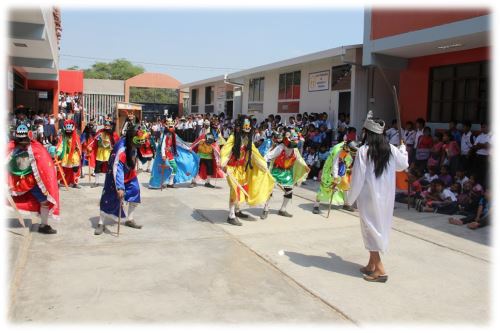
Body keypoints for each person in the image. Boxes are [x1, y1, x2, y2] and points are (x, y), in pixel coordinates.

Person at [346, 111, 408, 282]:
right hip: (386, 197)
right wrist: (403, 150)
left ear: (368, 133)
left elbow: (357, 178)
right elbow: (403, 165)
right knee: (377, 228)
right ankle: (371, 264)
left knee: (370, 229)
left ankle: (380, 269)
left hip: (368, 197)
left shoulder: (364, 151)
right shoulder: (391, 149)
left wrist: (349, 199)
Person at [220, 116, 275, 226]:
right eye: (244, 127)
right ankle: (231, 216)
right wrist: (223, 165)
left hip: (242, 169)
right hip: (232, 168)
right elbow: (225, 151)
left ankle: (237, 210)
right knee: (234, 191)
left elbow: (255, 154)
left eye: (248, 127)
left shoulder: (247, 140)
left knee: (241, 190)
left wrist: (264, 167)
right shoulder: (233, 137)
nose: (246, 129)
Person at [95, 126, 147, 235]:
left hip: (129, 172)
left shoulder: (133, 144)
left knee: (135, 191)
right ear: (131, 139)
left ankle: (130, 219)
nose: (139, 145)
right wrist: (120, 187)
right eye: (138, 143)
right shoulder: (122, 150)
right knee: (108, 198)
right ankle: (101, 223)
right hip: (115, 175)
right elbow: (117, 169)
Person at [7, 123, 59, 234]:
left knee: (45, 201)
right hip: (15, 181)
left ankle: (44, 225)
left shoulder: (35, 147)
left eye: (24, 142)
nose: (23, 145)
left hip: (32, 181)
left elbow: (43, 162)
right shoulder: (10, 148)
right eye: (20, 143)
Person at [261, 130, 309, 219]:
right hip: (276, 171)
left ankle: (282, 209)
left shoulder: (295, 149)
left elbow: (299, 159)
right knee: (270, 190)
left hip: (287, 172)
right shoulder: (280, 147)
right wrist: (264, 167)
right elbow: (268, 156)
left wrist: (305, 166)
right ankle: (266, 209)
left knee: (289, 190)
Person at [148, 118, 199, 189]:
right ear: (167, 126)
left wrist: (188, 148)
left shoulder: (173, 135)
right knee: (169, 168)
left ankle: (170, 182)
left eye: (172, 126)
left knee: (174, 167)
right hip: (165, 154)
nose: (172, 128)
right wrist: (163, 155)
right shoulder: (165, 135)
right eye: (170, 126)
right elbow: (163, 146)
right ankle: (164, 182)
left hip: (170, 154)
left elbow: (180, 143)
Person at [313, 140, 358, 214]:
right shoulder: (338, 151)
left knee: (345, 185)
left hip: (342, 169)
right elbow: (335, 165)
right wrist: (335, 177)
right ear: (347, 148)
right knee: (325, 187)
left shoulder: (349, 148)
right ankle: (316, 205)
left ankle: (346, 204)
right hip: (330, 170)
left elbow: (348, 159)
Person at [190, 119, 224, 188]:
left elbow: (215, 144)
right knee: (197, 168)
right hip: (200, 155)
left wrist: (217, 159)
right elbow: (197, 141)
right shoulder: (202, 132)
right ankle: (193, 181)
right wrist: (191, 147)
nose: (206, 125)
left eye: (207, 124)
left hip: (209, 155)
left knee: (209, 169)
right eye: (205, 124)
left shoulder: (213, 132)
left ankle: (207, 182)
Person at [88, 120, 119, 188]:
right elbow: (94, 140)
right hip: (100, 153)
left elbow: (117, 143)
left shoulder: (113, 134)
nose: (106, 127)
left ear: (110, 126)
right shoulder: (100, 132)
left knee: (109, 168)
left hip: (109, 153)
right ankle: (96, 182)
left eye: (108, 126)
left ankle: (109, 182)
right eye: (105, 125)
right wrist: (90, 147)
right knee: (97, 167)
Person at [55, 119, 82, 188]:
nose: (69, 132)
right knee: (62, 168)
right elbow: (60, 145)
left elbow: (79, 145)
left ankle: (75, 182)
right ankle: (59, 181)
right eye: (67, 131)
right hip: (65, 155)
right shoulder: (63, 137)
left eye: (70, 131)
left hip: (74, 155)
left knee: (75, 169)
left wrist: (80, 152)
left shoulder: (76, 137)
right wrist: (58, 153)